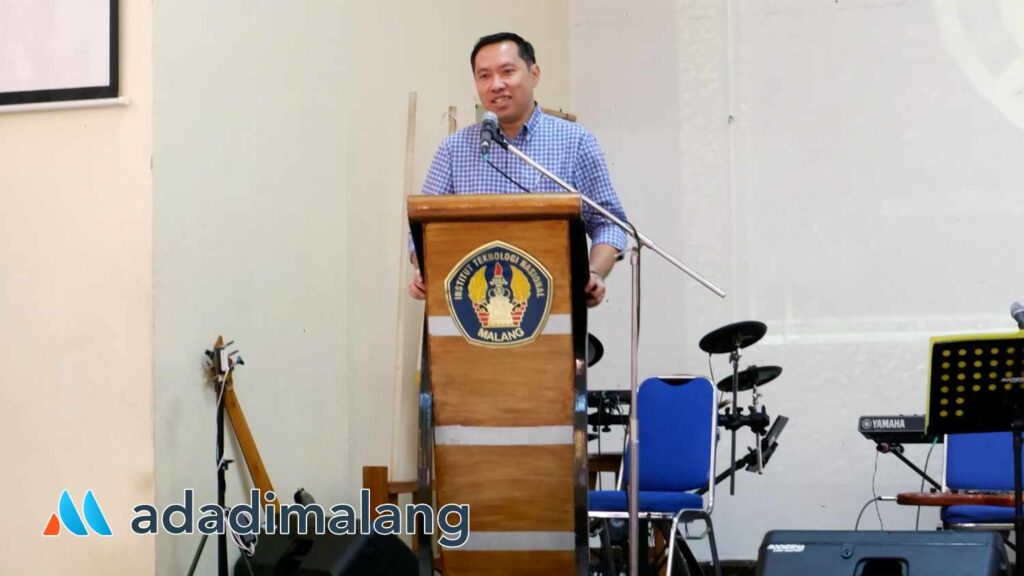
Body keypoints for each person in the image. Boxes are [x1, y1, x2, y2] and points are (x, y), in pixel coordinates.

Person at [408, 32, 628, 307]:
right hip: (470, 311)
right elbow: (421, 231)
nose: (496, 85)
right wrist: (423, 269)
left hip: (553, 308)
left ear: (534, 74)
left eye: (507, 72)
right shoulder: (454, 149)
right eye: (484, 76)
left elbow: (610, 224)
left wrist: (595, 272)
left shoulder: (575, 141)